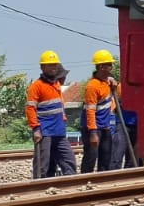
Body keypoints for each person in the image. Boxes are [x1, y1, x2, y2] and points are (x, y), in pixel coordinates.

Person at [26, 51, 75, 179]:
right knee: (43, 163)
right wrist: (36, 129)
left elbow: (60, 106)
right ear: (42, 67)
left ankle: (71, 183)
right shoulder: (36, 86)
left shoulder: (56, 84)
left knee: (68, 159)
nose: (53, 67)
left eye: (55, 65)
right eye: (50, 65)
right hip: (44, 131)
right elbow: (30, 108)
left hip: (59, 130)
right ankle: (39, 187)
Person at [82, 49, 124, 173]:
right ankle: (85, 180)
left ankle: (103, 183)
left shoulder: (107, 83)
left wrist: (114, 88)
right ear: (101, 67)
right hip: (92, 128)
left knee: (106, 158)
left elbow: (111, 101)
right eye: (108, 65)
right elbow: (90, 111)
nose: (111, 67)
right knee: (91, 158)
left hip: (104, 127)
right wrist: (93, 133)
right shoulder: (92, 86)